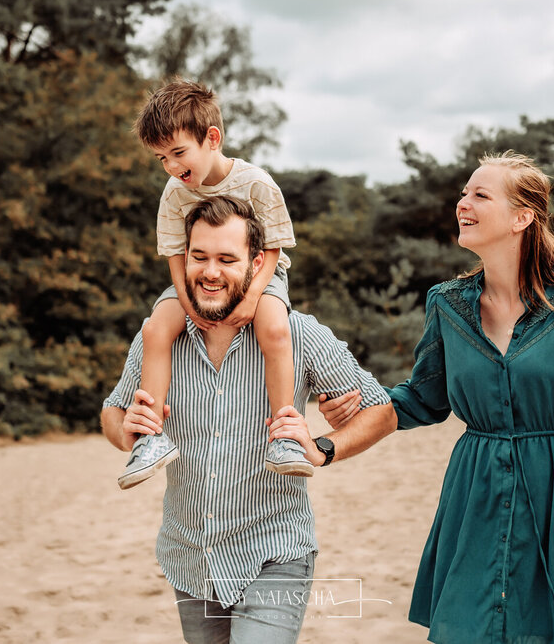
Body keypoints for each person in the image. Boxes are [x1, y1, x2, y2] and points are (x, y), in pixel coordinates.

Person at [320, 151, 554, 643]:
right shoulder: (446, 304)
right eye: (462, 193)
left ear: (523, 217)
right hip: (475, 498)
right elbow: (420, 399)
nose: (463, 203)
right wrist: (343, 422)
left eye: (480, 194)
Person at [101, 195, 396, 644]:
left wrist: (322, 448)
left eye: (226, 259)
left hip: (274, 552)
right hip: (190, 557)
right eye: (199, 257)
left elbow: (382, 410)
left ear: (257, 264)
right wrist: (125, 433)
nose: (211, 272)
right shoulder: (157, 338)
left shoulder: (299, 334)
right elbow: (112, 411)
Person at [118, 79, 309, 489]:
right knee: (155, 329)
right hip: (194, 280)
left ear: (212, 138)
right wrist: (186, 304)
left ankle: (285, 435)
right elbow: (174, 255)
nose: (171, 166)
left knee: (275, 329)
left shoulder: (256, 183)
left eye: (178, 153)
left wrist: (254, 296)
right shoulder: (174, 194)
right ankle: (150, 438)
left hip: (261, 275)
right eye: (161, 158)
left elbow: (274, 248)